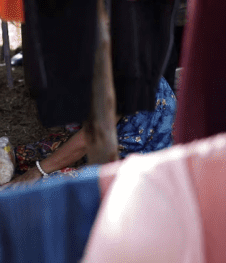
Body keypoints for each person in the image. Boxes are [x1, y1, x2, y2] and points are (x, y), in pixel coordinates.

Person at [12, 76, 177, 183]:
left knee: (52, 186)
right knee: (37, 152)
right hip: (115, 146)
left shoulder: (120, 76)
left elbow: (89, 138)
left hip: (142, 167)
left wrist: (39, 170)